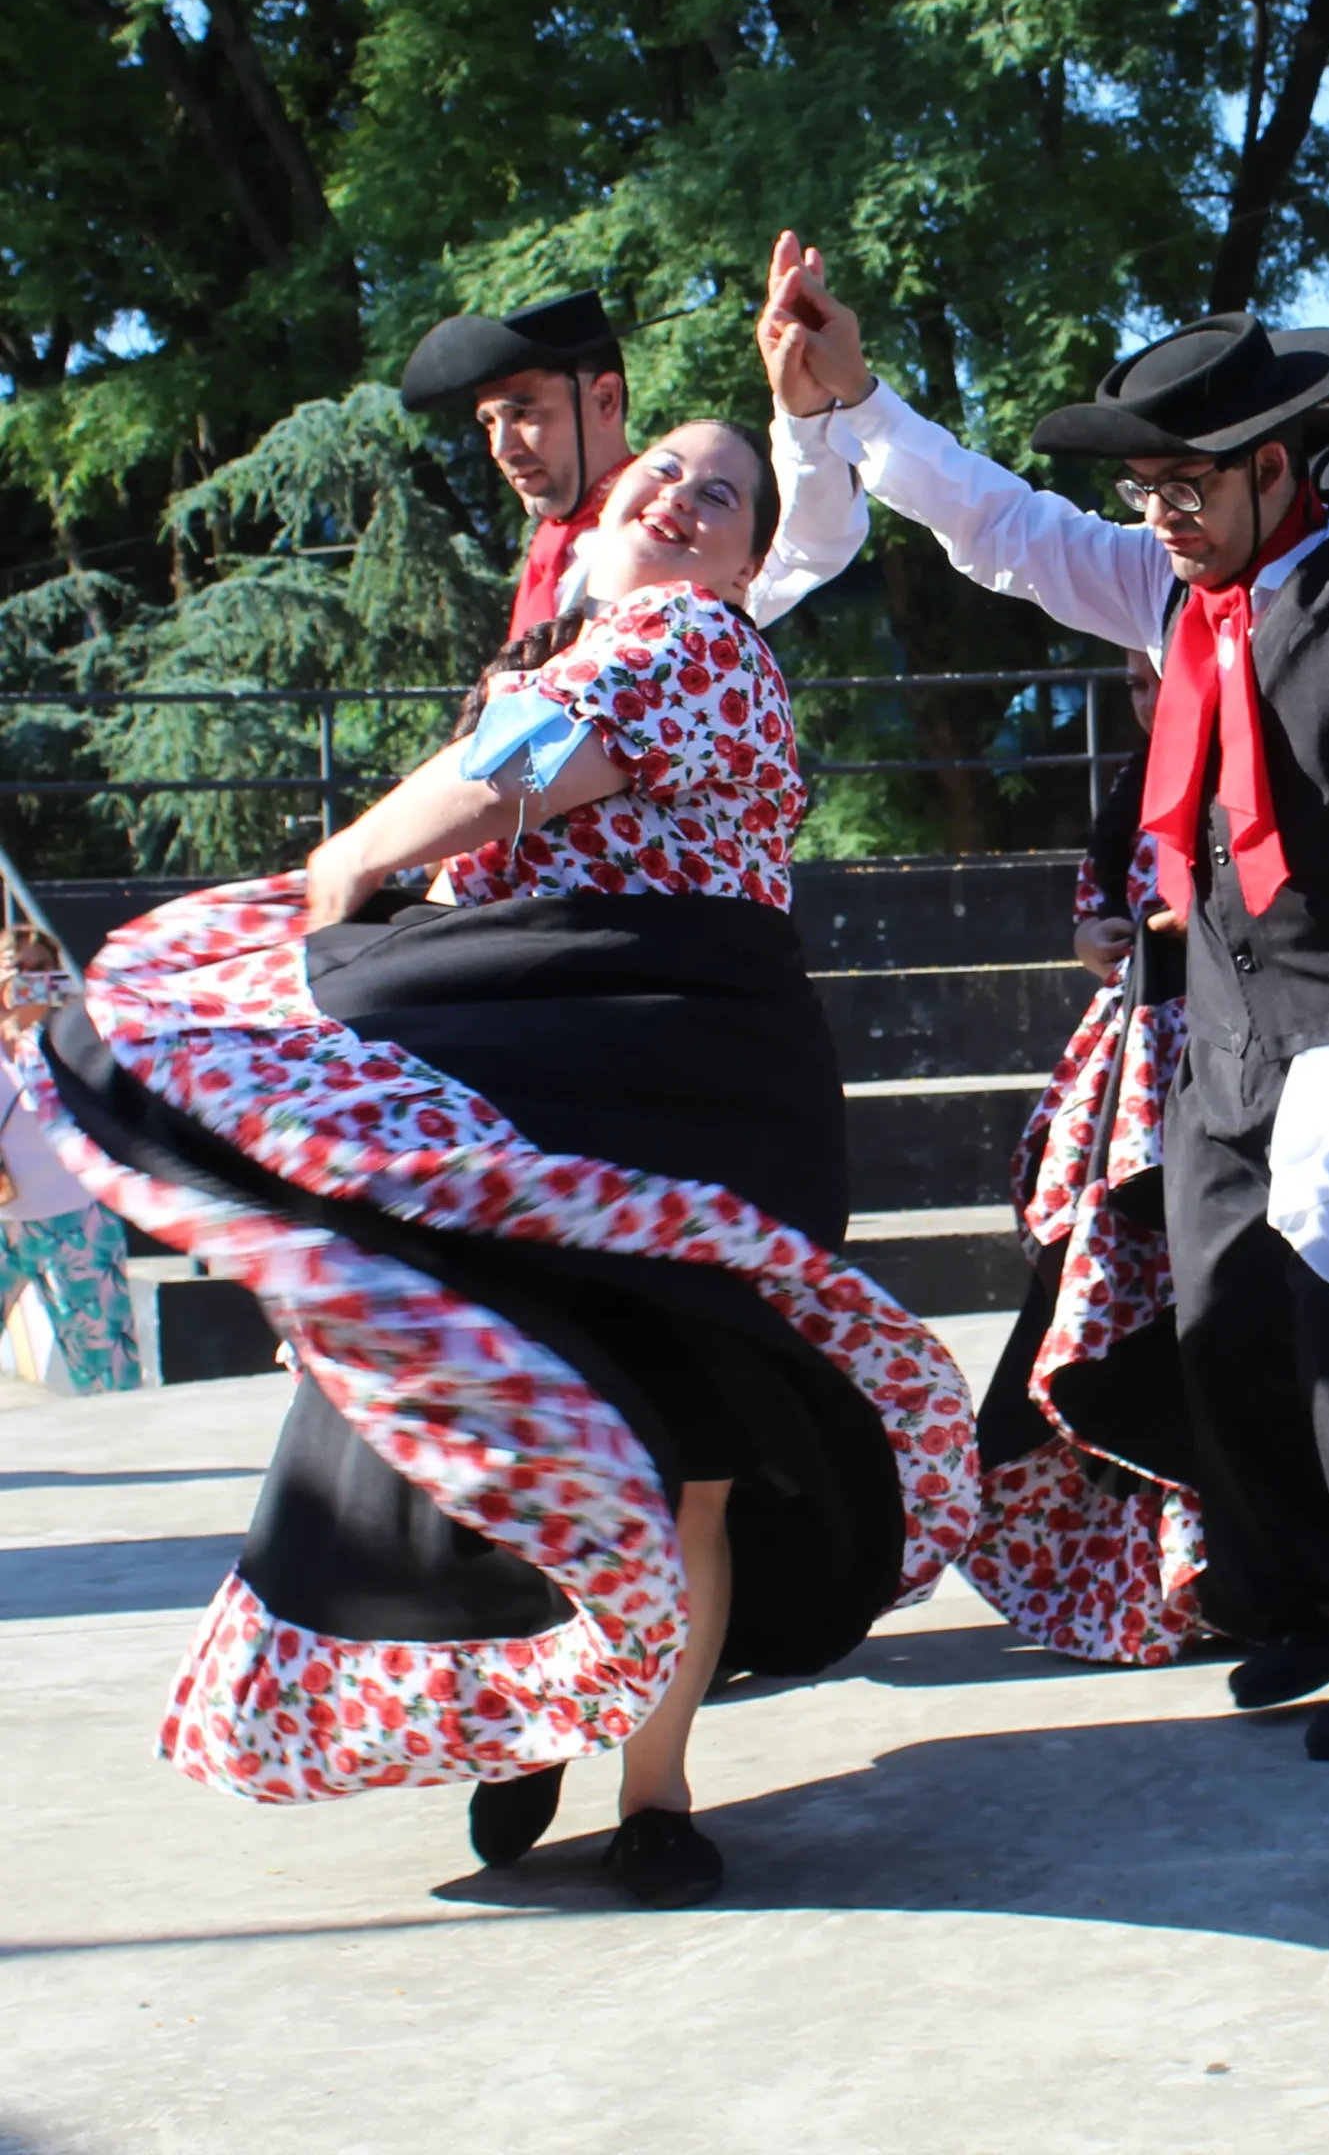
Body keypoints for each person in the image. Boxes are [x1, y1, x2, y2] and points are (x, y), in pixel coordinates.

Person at [26, 416, 978, 1903]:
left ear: (748, 555)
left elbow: (493, 789)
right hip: (565, 1095)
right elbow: (498, 772)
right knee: (535, 1427)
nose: (684, 497)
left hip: (679, 1093)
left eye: (722, 497)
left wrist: (342, 870)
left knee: (686, 1469)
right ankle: (541, 1706)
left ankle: (651, 1793)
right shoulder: (546, 664)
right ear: (610, 511)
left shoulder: (688, 641)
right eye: (663, 471)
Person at [759, 244, 1329, 1758]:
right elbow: (1001, 529)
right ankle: (1300, 1600)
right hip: (1230, 1032)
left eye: (1183, 487)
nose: (1157, 516)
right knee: (1228, 1323)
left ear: (1273, 468)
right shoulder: (1168, 596)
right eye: (1143, 490)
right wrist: (859, 401)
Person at [963, 649, 1204, 1664]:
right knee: (1105, 1299)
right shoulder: (1133, 779)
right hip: (1135, 1069)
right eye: (1137, 686)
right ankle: (1135, 1583)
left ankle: (1220, 1567)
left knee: (1199, 1310)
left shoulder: (1245, 764)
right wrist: (1101, 937)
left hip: (1219, 1063)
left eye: (1163, 679)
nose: (1151, 700)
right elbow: (1090, 920)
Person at [401, 247, 870, 636]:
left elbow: (812, 541)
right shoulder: (554, 550)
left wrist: (806, 415)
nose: (501, 447)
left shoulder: (676, 543)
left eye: (524, 414)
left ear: (605, 399)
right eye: (489, 421)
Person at [0, 929, 139, 1393]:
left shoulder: (77, 1039)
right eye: (19, 968)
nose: (32, 979)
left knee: (106, 1376)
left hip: (79, 1220)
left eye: (43, 968)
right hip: (5, 1221)